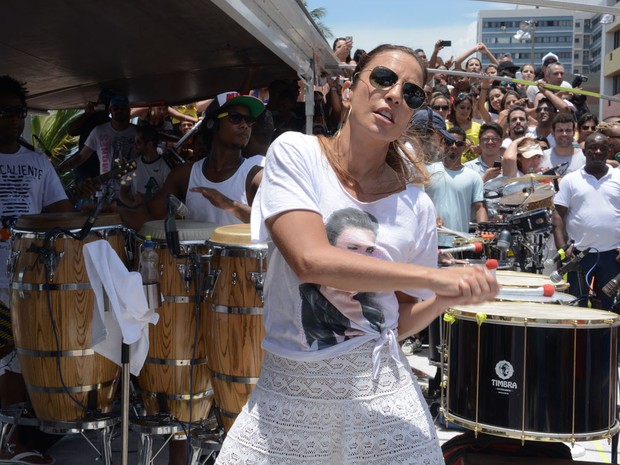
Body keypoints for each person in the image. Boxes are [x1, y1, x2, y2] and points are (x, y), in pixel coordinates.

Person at [214, 43, 498, 465]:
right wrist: (437, 278)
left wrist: (443, 301)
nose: (396, 95)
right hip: (290, 393)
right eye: (383, 79)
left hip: (383, 396)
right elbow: (309, 259)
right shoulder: (296, 153)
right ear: (349, 90)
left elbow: (394, 320)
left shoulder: (416, 206)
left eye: (412, 93)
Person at [0, 75, 75, 464]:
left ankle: (10, 441)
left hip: (25, 276)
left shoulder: (37, 161)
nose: (15, 119)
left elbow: (59, 212)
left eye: (19, 112)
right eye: (6, 112)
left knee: (15, 356)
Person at [120, 91, 265, 230]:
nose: (245, 125)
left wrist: (230, 205)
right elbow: (149, 218)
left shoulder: (255, 174)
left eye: (249, 120)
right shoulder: (184, 175)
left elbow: (275, 223)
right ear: (212, 124)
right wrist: (115, 207)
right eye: (235, 117)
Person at [552, 132, 620, 311]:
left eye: (602, 148)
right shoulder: (570, 180)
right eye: (592, 148)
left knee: (611, 310)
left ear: (609, 151)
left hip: (614, 256)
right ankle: (579, 340)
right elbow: (558, 216)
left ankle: (609, 341)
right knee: (577, 307)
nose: (597, 151)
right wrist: (562, 248)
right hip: (579, 255)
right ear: (584, 151)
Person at [426, 127, 488, 232]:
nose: (453, 146)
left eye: (458, 144)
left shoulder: (474, 176)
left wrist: (483, 230)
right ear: (442, 144)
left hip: (459, 241)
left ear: (464, 147)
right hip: (430, 240)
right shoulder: (427, 171)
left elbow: (480, 207)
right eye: (449, 142)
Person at [119, 125, 171, 207]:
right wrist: (133, 204)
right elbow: (122, 191)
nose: (135, 146)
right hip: (137, 213)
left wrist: (146, 200)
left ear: (149, 144)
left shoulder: (166, 166)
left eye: (138, 143)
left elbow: (167, 194)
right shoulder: (131, 165)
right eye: (134, 142)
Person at [541, 113, 585, 177]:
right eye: (560, 130)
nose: (564, 134)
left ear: (574, 132)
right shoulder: (543, 157)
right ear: (553, 133)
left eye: (568, 130)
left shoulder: (584, 158)